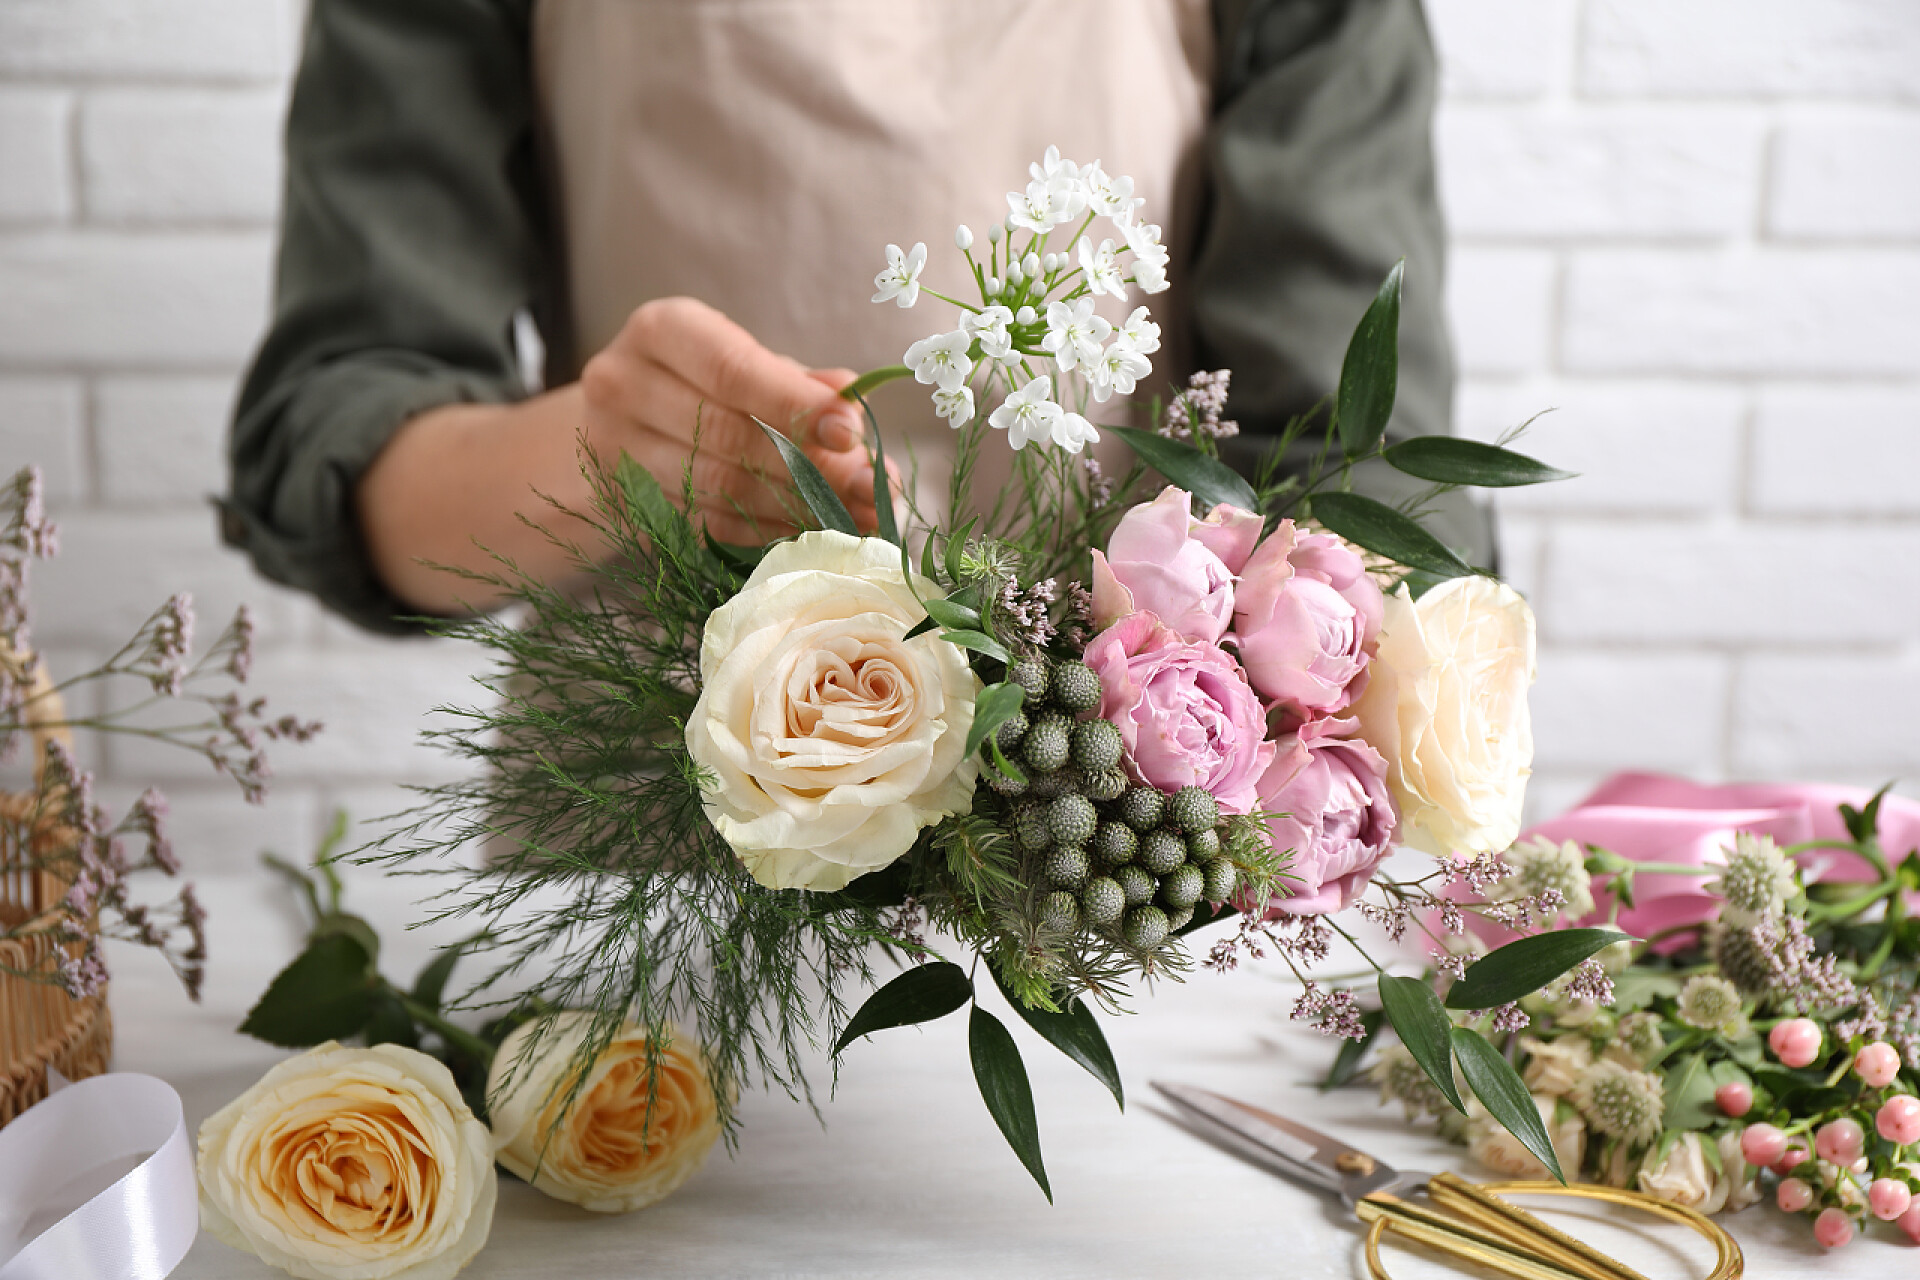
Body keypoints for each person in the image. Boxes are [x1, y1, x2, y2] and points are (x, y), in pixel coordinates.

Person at [222, 0, 1491, 634]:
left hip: (1148, 883)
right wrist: (607, 463)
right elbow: (334, 436)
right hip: (664, 880)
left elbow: (1367, 483)